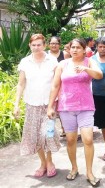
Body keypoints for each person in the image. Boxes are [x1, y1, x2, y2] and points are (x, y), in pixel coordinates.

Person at [47, 38, 103, 187]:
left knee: (88, 139)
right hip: (66, 108)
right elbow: (55, 86)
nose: (75, 50)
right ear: (69, 49)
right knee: (71, 140)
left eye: (78, 47)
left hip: (85, 107)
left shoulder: (89, 62)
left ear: (84, 49)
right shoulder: (63, 64)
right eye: (72, 47)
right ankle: (74, 168)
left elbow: (99, 75)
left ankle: (89, 172)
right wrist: (50, 106)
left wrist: (86, 69)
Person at [13, 33, 60, 178]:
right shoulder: (25, 62)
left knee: (47, 134)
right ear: (29, 46)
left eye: (39, 45)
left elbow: (57, 83)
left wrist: (53, 104)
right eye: (33, 45)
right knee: (35, 135)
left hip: (49, 105)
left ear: (44, 45)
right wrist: (16, 104)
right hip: (31, 104)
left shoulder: (52, 61)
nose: (36, 47)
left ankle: (50, 161)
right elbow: (21, 84)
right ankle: (43, 163)